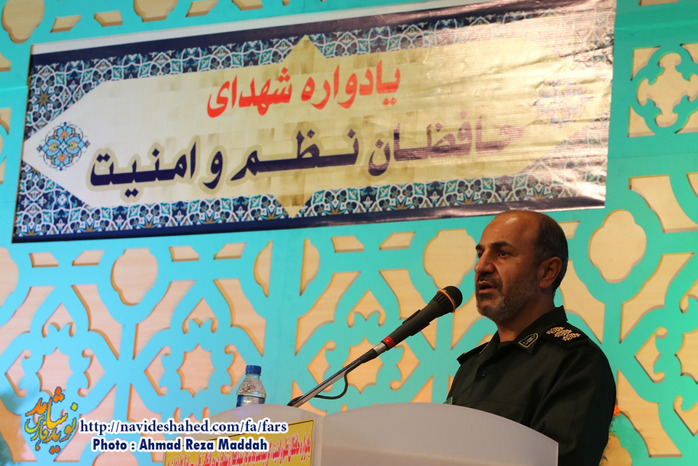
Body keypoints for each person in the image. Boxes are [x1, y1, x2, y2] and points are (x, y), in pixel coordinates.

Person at [446, 210, 616, 466]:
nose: (481, 267)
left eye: (503, 253)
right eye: (481, 254)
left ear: (547, 272)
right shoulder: (471, 366)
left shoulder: (575, 362)